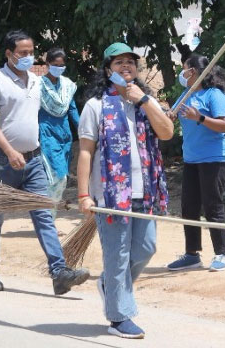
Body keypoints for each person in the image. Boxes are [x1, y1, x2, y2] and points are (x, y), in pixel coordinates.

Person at [0, 29, 89, 295]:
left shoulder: (36, 82)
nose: (28, 58)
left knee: (43, 214)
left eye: (31, 53)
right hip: (2, 161)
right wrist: (10, 151)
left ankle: (59, 272)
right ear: (9, 54)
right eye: (22, 54)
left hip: (34, 160)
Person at [77, 43, 175, 339]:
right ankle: (119, 316)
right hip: (110, 195)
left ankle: (110, 285)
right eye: (119, 63)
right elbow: (85, 153)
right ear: (108, 70)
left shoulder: (146, 103)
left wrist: (145, 100)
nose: (126, 67)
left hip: (145, 192)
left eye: (131, 63)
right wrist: (84, 194)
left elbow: (167, 132)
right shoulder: (96, 106)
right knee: (117, 255)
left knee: (146, 248)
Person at [165, 52, 225, 273]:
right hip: (191, 158)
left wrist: (200, 118)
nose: (182, 73)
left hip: (214, 158)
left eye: (184, 68)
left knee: (212, 205)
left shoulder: (214, 95)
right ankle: (191, 254)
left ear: (193, 71)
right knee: (189, 206)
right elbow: (171, 115)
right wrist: (164, 113)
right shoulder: (187, 94)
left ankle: (222, 253)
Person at [38, 47, 79, 204]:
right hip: (46, 134)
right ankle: (48, 216)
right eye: (55, 65)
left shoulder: (67, 86)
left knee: (60, 177)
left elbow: (72, 110)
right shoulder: (38, 85)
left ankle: (49, 217)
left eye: (62, 65)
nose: (59, 68)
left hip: (65, 135)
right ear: (48, 64)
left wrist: (85, 131)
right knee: (57, 175)